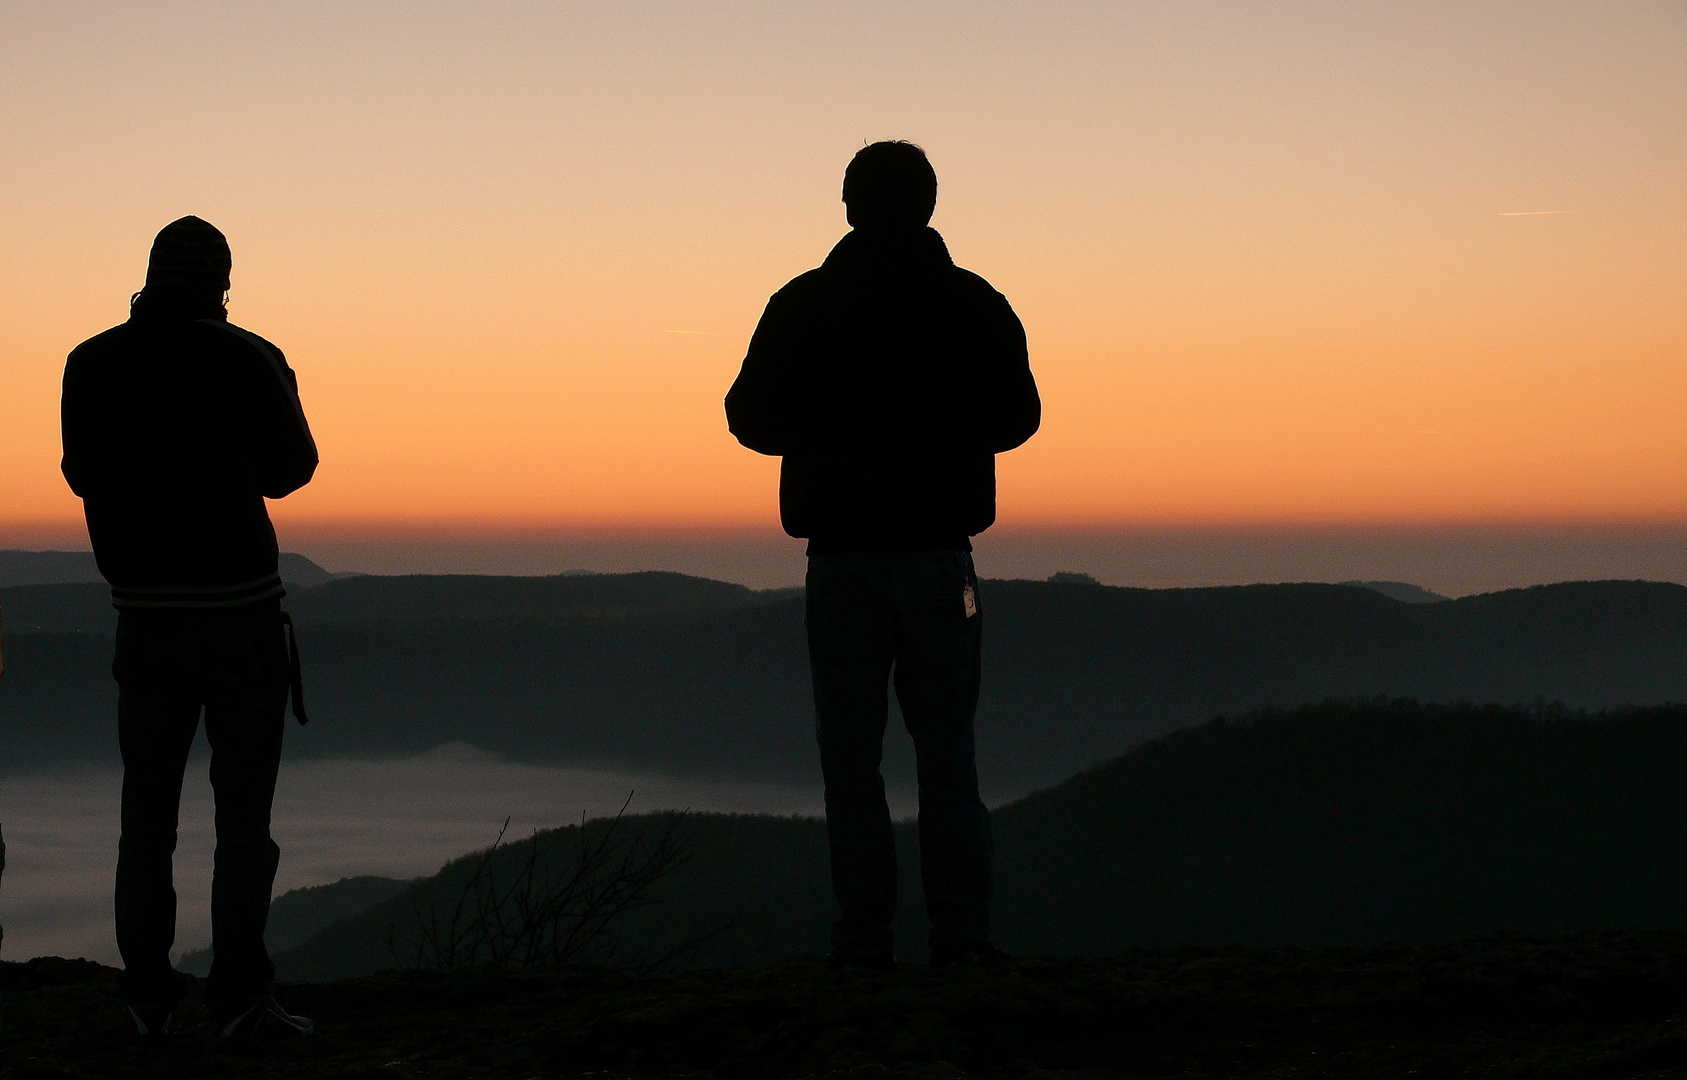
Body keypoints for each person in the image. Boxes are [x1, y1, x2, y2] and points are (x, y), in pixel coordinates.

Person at [725, 141, 1040, 968]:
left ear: (848, 205)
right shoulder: (973, 303)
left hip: (841, 560)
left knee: (850, 762)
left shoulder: (804, 304)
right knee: (948, 758)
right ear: (929, 205)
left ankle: (862, 941)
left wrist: (829, 432)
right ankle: (961, 939)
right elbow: (1020, 417)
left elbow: (748, 419)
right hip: (940, 556)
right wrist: (946, 432)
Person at [61, 216, 319, 1039]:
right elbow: (293, 471)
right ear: (222, 282)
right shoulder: (249, 356)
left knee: (147, 823)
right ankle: (241, 999)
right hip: (241, 617)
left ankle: (145, 1001)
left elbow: (80, 474)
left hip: (145, 622)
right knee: (243, 826)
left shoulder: (91, 362)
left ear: (149, 276)